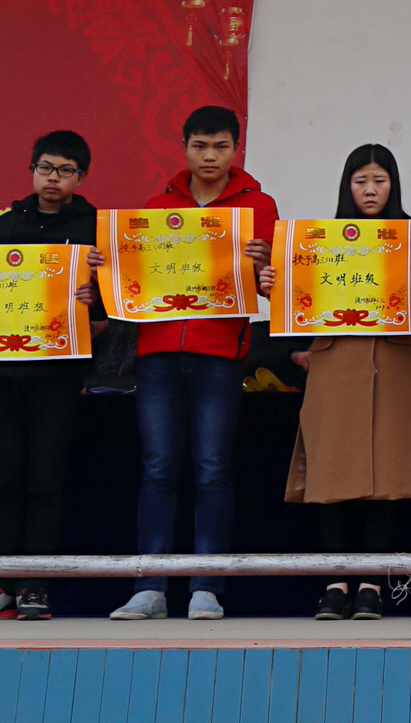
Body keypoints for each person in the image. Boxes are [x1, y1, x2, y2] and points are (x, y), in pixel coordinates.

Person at [109, 106, 280, 622]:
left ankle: (207, 586)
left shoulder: (259, 206)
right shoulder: (157, 206)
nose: (210, 156)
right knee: (157, 468)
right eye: (200, 146)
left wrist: (267, 264)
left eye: (221, 146)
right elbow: (135, 280)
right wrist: (107, 263)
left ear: (236, 148)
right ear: (184, 147)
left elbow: (275, 283)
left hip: (219, 353)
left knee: (212, 467)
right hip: (158, 352)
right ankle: (150, 587)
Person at [0, 131, 106, 623]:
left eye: (65, 170)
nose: (53, 178)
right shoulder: (6, 225)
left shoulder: (96, 229)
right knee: (2, 479)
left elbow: (114, 307)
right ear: (32, 170)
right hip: (4, 372)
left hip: (59, 372)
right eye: (45, 167)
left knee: (45, 479)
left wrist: (96, 297)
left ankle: (34, 585)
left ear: (81, 177)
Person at [287, 144, 411, 621]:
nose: (371, 190)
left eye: (380, 180)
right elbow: (296, 301)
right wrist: (274, 280)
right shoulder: (320, 240)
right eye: (361, 181)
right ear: (347, 186)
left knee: (387, 478)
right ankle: (335, 584)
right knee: (332, 475)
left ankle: (372, 586)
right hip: (335, 365)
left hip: (393, 366)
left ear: (393, 185)